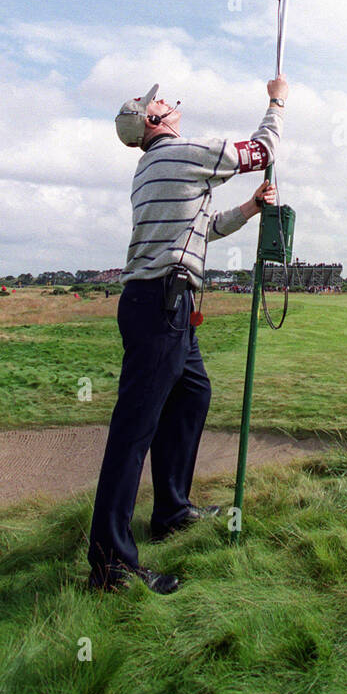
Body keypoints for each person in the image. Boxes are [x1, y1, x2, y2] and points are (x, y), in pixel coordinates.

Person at [87, 75, 287, 594]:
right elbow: (261, 149)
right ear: (153, 121)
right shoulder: (181, 154)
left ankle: (171, 510)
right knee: (132, 433)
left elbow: (206, 226)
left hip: (163, 305)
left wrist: (249, 210)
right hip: (160, 305)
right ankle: (111, 565)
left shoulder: (151, 167)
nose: (167, 99)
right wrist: (276, 99)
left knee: (194, 394)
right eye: (157, 101)